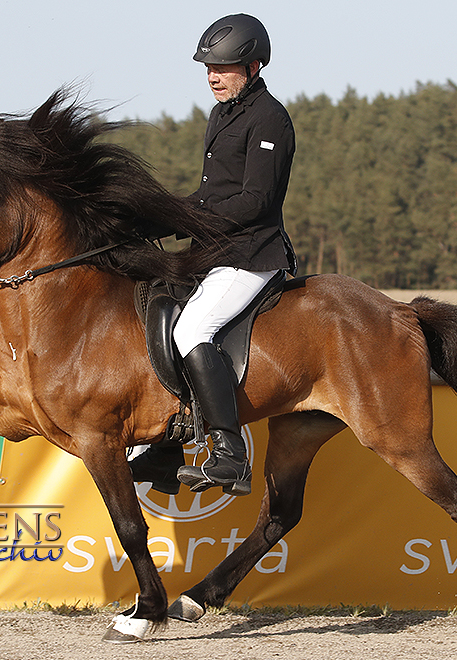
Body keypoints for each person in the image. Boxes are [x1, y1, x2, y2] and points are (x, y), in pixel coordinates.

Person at [130, 13, 296, 497]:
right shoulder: (221, 114)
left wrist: (191, 222)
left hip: (251, 254)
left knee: (192, 329)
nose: (213, 76)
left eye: (223, 68)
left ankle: (229, 454)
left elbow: (256, 201)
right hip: (212, 251)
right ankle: (167, 445)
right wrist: (161, 217)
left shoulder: (270, 118)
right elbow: (208, 194)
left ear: (255, 66)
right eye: (208, 68)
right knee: (153, 309)